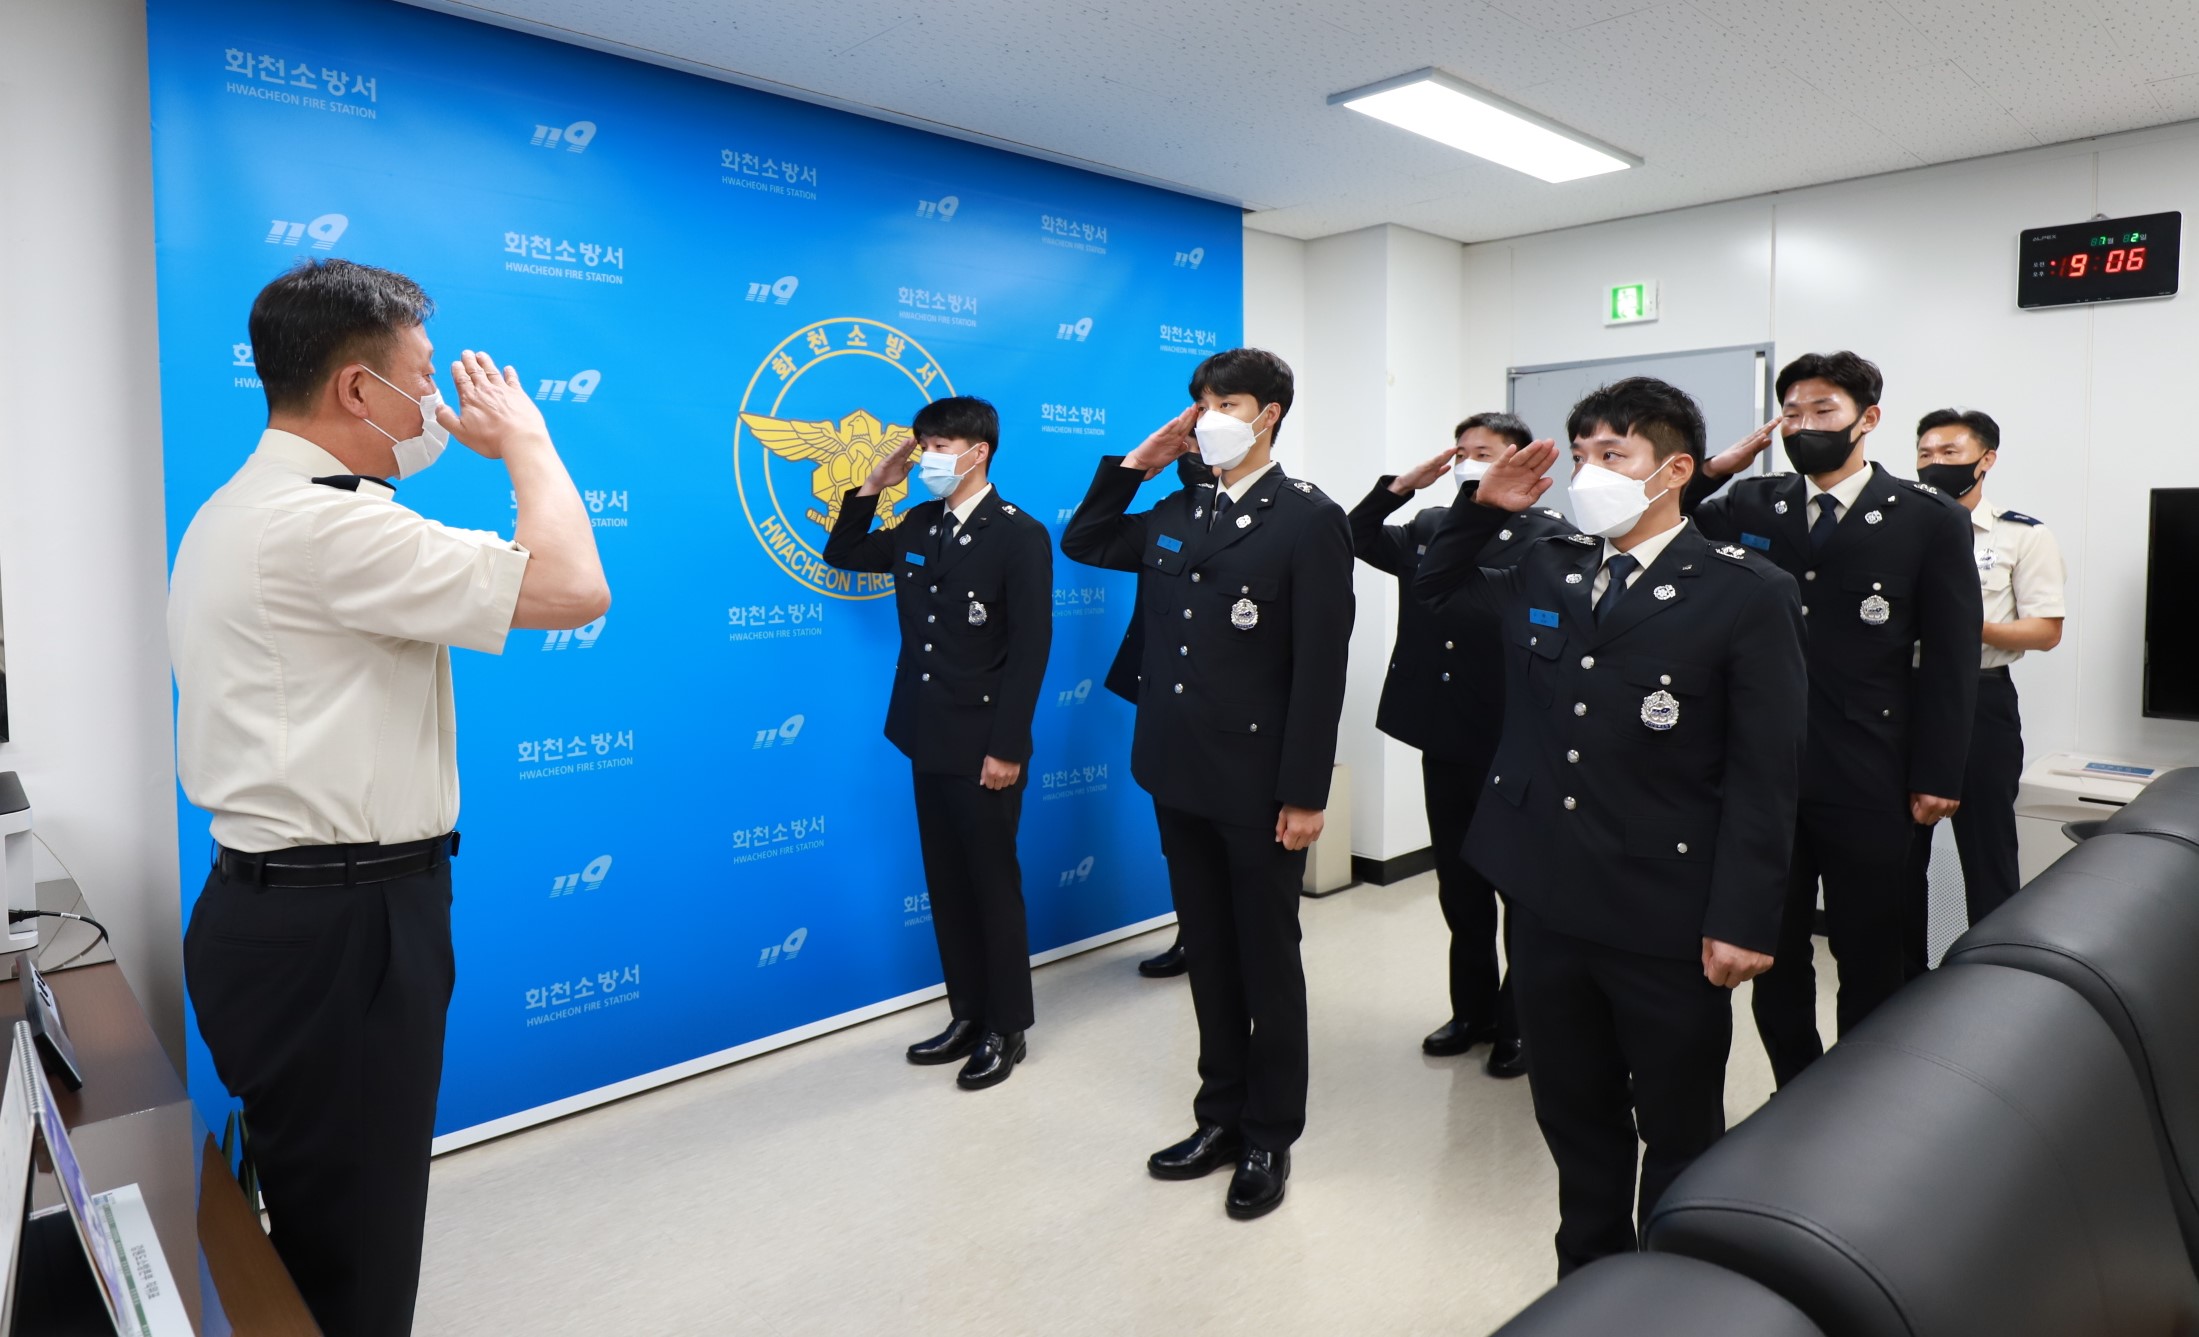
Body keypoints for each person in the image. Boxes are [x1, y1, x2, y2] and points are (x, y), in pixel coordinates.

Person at [168, 258, 610, 1336]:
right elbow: (573, 586)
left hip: (283, 917)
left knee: (320, 1222)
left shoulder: (241, 508)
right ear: (357, 390)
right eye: (422, 378)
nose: (440, 407)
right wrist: (530, 442)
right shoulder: (328, 525)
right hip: (343, 931)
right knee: (354, 1257)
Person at [1414, 377, 1807, 1276]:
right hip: (1546, 895)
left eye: (1612, 454)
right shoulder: (1545, 561)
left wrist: (1744, 917)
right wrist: (1480, 508)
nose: (1587, 472)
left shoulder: (1745, 590)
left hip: (1663, 908)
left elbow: (1766, 769)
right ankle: (1587, 1278)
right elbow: (1435, 590)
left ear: (1673, 471)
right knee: (1574, 1114)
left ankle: (1665, 1293)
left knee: (1677, 1123)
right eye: (1581, 453)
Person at [1061, 347, 1351, 1221]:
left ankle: (1269, 1134)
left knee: (1266, 963)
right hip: (1175, 769)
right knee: (1210, 958)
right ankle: (1218, 1115)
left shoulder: (1307, 519)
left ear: (1268, 414)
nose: (1209, 416)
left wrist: (1305, 792)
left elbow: (1319, 668)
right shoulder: (1177, 507)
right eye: (1201, 403)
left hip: (1258, 785)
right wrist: (1135, 465)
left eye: (1226, 402)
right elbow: (1084, 539)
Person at [1681, 351, 1982, 1087]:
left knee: (1871, 945)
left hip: (1870, 767)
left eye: (1822, 411)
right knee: (1773, 945)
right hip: (1762, 773)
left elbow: (1950, 656)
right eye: (1791, 413)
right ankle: (1795, 1088)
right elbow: (1666, 520)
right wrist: (1715, 469)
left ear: (1866, 418)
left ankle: (1861, 1097)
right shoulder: (1750, 504)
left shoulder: (1927, 518)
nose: (1803, 425)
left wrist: (1939, 772)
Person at [823, 396, 1053, 1090]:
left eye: (939, 446)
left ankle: (1006, 1026)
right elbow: (844, 552)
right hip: (927, 731)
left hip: (985, 741)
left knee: (991, 885)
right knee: (947, 885)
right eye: (922, 446)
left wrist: (1008, 747)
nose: (926, 457)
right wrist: (874, 485)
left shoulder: (1019, 533)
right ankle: (967, 1014)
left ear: (978, 451)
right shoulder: (919, 521)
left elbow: (1030, 649)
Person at [1348, 412, 1564, 1078]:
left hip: (1512, 735)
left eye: (1485, 451)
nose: (1470, 461)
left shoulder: (1548, 538)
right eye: (1462, 451)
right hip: (1442, 731)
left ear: (1518, 459)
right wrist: (1398, 488)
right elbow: (1354, 536)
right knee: (1458, 884)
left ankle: (1518, 1022)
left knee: (1517, 888)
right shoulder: (1430, 524)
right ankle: (1470, 1011)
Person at [1903, 407, 2065, 969]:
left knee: (1988, 851)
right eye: (1926, 453)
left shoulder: (2022, 534)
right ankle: (1905, 982)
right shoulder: (1897, 530)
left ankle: (1993, 977)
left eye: (1950, 452)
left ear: (1985, 459)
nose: (1935, 463)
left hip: (1981, 699)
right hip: (1901, 697)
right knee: (1899, 855)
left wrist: (1962, 624)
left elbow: (2045, 631)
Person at [1108, 454, 1217, 981]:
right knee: (1180, 839)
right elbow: (1085, 538)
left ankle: (1224, 942)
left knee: (1229, 844)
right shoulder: (1168, 513)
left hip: (1231, 710)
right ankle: (1192, 934)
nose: (1198, 446)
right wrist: (1135, 467)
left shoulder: (1282, 514)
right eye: (1192, 433)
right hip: (1168, 699)